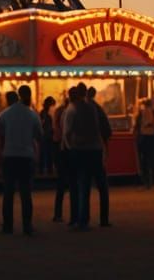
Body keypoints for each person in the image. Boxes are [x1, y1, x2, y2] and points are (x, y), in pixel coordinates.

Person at [0, 83, 42, 236]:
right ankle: (27, 225)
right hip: (26, 156)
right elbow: (39, 136)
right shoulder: (32, 114)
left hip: (9, 156)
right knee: (26, 193)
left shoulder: (5, 114)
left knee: (8, 193)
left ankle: (8, 226)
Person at [63, 84, 101, 231]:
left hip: (77, 149)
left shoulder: (72, 109)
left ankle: (76, 218)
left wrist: (68, 146)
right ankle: (83, 218)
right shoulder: (91, 108)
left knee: (75, 185)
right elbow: (96, 128)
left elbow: (67, 132)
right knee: (85, 185)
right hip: (91, 149)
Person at [86, 86, 112, 226]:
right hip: (96, 149)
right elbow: (107, 130)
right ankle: (104, 219)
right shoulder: (97, 109)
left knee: (83, 186)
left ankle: (83, 219)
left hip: (82, 151)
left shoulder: (76, 109)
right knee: (102, 186)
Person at [52, 92, 72, 223]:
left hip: (59, 147)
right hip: (68, 148)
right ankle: (75, 215)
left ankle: (58, 213)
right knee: (73, 182)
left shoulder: (59, 112)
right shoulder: (69, 112)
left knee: (61, 182)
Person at [134, 98, 154, 189]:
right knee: (151, 158)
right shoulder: (152, 112)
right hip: (151, 136)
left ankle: (147, 181)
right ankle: (152, 180)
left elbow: (139, 124)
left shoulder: (143, 113)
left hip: (145, 136)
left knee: (145, 160)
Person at [38, 96, 56, 175]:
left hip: (46, 136)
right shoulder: (44, 113)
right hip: (46, 136)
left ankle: (45, 170)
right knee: (46, 154)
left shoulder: (45, 113)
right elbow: (43, 124)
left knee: (47, 154)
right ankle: (46, 170)